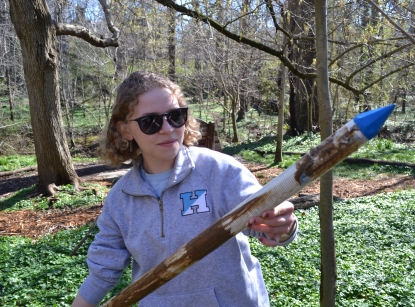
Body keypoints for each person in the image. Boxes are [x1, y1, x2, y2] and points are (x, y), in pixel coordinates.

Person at [71, 71, 298, 307]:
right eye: (151, 122)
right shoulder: (121, 199)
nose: (167, 129)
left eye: (175, 116)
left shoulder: (218, 171)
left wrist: (281, 223)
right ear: (126, 130)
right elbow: (102, 271)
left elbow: (265, 221)